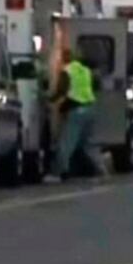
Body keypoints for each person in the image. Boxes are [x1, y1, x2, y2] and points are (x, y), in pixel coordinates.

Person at [45, 49, 104, 183]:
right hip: (90, 108)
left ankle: (58, 173)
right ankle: (100, 169)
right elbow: (96, 85)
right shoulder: (85, 70)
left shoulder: (67, 71)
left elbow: (62, 91)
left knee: (66, 143)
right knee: (88, 144)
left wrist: (49, 100)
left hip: (76, 111)